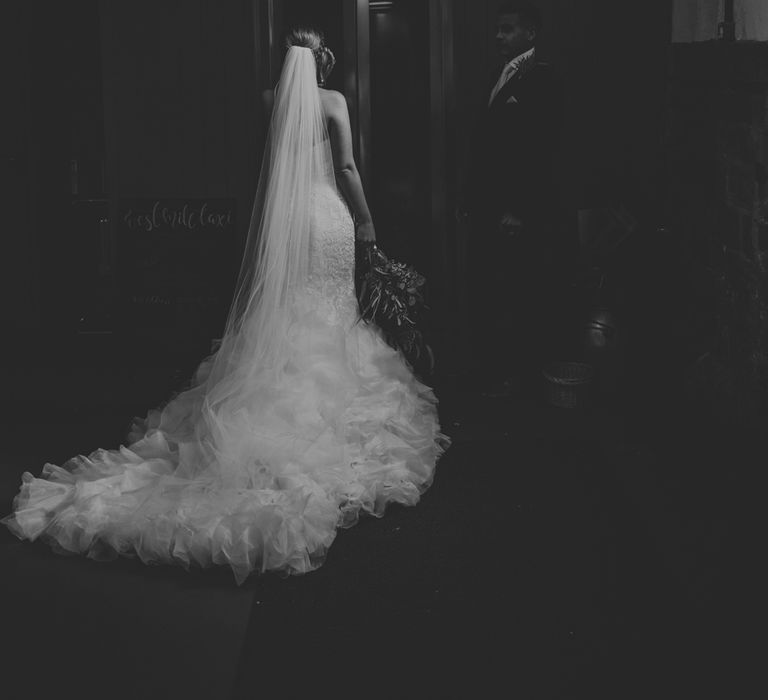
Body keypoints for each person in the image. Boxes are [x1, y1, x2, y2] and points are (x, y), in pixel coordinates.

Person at [1, 29, 450, 585]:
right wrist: (366, 222)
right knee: (333, 309)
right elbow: (349, 169)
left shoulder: (270, 101)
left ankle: (277, 405)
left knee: (290, 310)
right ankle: (336, 411)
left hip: (288, 225)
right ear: (325, 60)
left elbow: (267, 170)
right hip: (328, 217)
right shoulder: (333, 102)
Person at [467, 2, 570, 398]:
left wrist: (520, 209)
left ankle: (519, 377)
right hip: (489, 207)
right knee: (493, 289)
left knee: (519, 293)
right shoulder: (498, 72)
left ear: (530, 34)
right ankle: (496, 370)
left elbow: (542, 151)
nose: (498, 36)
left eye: (507, 30)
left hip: (517, 212)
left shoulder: (543, 77)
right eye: (497, 30)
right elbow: (486, 146)